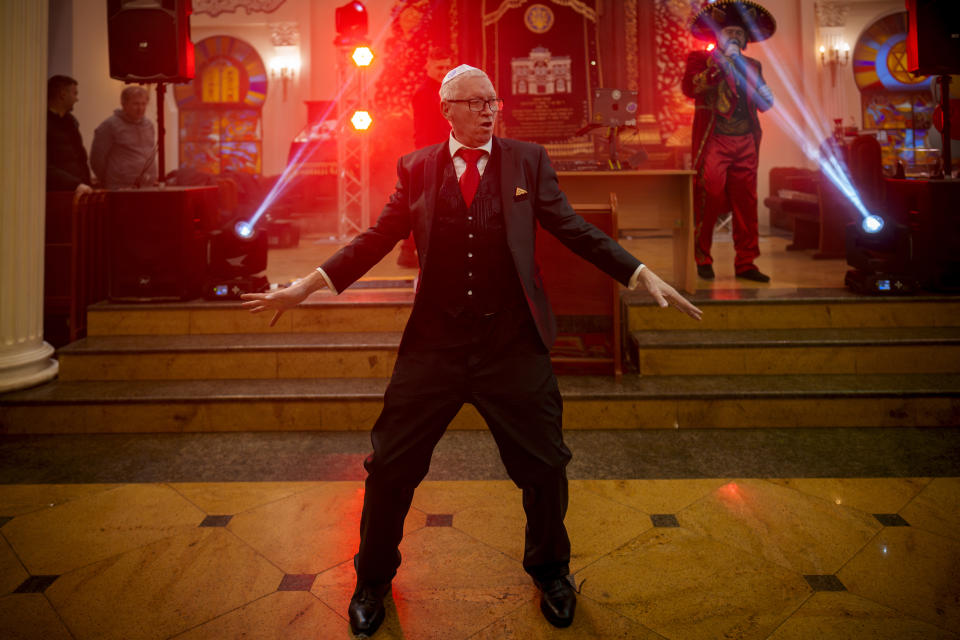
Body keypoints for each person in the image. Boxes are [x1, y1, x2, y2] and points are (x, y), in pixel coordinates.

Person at [241, 65, 702, 637]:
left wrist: (637, 273)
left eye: (493, 101)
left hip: (510, 342)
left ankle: (552, 573)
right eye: (476, 102)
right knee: (389, 468)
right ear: (448, 109)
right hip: (435, 343)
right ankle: (372, 580)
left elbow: (571, 227)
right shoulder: (416, 168)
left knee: (545, 465)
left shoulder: (527, 161)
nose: (489, 110)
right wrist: (304, 288)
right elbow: (375, 240)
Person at [682, 0, 776, 282]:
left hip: (746, 139)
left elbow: (761, 104)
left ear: (746, 38)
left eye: (738, 32)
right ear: (718, 37)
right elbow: (691, 88)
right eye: (729, 32)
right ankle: (703, 257)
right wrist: (721, 64)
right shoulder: (700, 59)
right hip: (715, 140)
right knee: (708, 195)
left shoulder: (753, 65)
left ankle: (746, 262)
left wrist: (766, 95)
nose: (734, 36)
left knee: (746, 203)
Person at [396, 47, 454, 268]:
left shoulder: (447, 91)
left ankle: (411, 251)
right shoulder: (423, 94)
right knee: (426, 206)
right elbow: (423, 132)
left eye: (448, 67)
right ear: (428, 67)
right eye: (440, 67)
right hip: (432, 155)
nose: (444, 71)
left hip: (443, 154)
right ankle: (408, 251)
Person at [90, 85, 157, 189]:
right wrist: (112, 179)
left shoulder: (149, 125)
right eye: (136, 104)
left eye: (143, 104)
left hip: (147, 185)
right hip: (120, 187)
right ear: (124, 104)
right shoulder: (109, 126)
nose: (140, 108)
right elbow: (97, 159)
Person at [46, 75, 92, 195]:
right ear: (62, 94)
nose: (77, 99)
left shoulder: (71, 122)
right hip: (58, 193)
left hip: (78, 189)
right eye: (75, 93)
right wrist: (74, 184)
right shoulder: (43, 122)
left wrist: (85, 183)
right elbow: (45, 166)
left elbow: (80, 158)